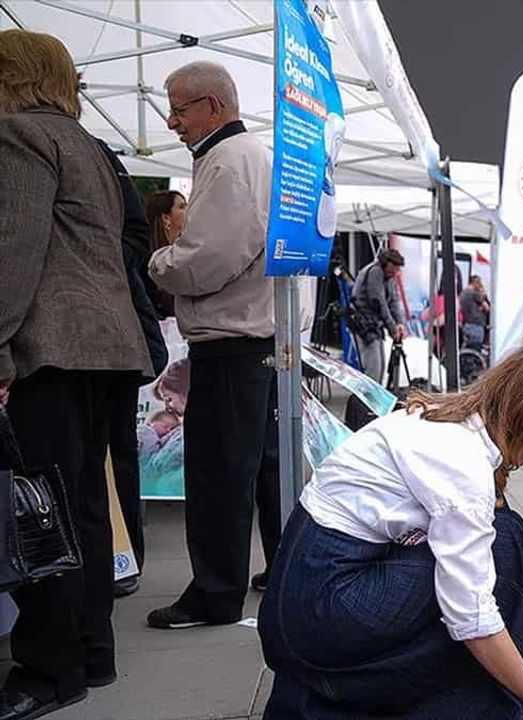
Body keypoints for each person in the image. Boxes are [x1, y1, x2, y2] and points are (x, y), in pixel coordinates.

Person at [259, 344, 523, 719]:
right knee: (501, 551)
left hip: (303, 594)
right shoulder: (463, 461)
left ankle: (522, 690)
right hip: (320, 609)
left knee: (507, 539)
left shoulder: (442, 421)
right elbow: (471, 617)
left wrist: (518, 554)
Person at [0, 29, 152, 719]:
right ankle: (92, 653)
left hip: (52, 351)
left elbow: (12, 254)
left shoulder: (19, 135)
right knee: (84, 506)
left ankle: (50, 669)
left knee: (39, 511)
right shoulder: (88, 144)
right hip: (107, 350)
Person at [147, 60, 281, 629]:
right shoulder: (251, 156)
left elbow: (206, 261)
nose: (172, 121)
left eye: (179, 109)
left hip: (232, 339)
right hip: (260, 335)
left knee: (219, 473)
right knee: (264, 468)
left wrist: (160, 262)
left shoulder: (228, 161)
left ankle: (215, 593)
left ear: (213, 106)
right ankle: (281, 570)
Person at [97, 140, 170, 599]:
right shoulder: (101, 156)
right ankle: (118, 560)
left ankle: (121, 558)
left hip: (107, 338)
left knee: (111, 452)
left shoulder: (99, 156)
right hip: (113, 336)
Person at [351, 248, 407, 383]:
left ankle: (374, 394)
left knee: (380, 367)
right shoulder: (375, 272)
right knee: (373, 368)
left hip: (375, 325)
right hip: (365, 325)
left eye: (396, 270)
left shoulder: (389, 277)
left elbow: (393, 301)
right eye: (391, 270)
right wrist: (393, 328)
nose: (393, 273)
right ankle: (368, 396)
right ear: (384, 264)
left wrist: (400, 323)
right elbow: (379, 302)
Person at [143, 190, 187, 319]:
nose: (188, 210)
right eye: (182, 207)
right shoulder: (147, 260)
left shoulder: (182, 252)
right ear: (166, 218)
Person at [461, 274, 491, 350]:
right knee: (476, 349)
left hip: (467, 324)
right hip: (476, 326)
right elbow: (487, 308)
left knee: (469, 349)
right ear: (475, 282)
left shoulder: (463, 293)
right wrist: (483, 292)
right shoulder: (474, 294)